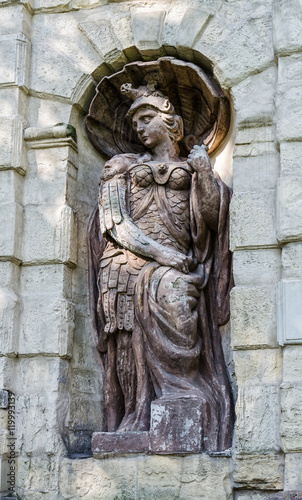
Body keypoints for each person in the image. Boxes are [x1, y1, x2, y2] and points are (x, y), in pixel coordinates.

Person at [88, 83, 234, 451]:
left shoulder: (192, 166)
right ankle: (132, 420)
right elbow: (114, 222)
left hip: (179, 264)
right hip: (126, 262)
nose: (140, 126)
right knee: (125, 344)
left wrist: (202, 174)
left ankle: (184, 397)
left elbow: (215, 220)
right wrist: (162, 254)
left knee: (177, 303)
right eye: (135, 120)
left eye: (147, 117)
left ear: (172, 123)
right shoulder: (120, 166)